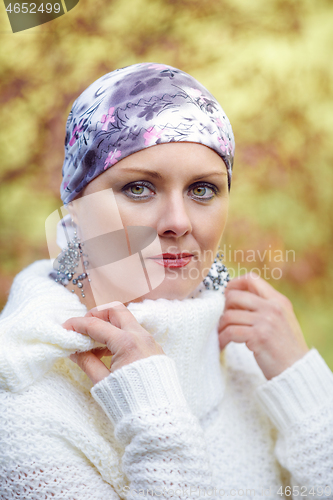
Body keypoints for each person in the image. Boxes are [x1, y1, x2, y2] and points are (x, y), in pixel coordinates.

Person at [0, 62, 332, 500]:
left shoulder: (250, 355)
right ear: (75, 204)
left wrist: (306, 391)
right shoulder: (23, 400)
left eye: (203, 189)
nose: (178, 222)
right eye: (139, 187)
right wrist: (155, 418)